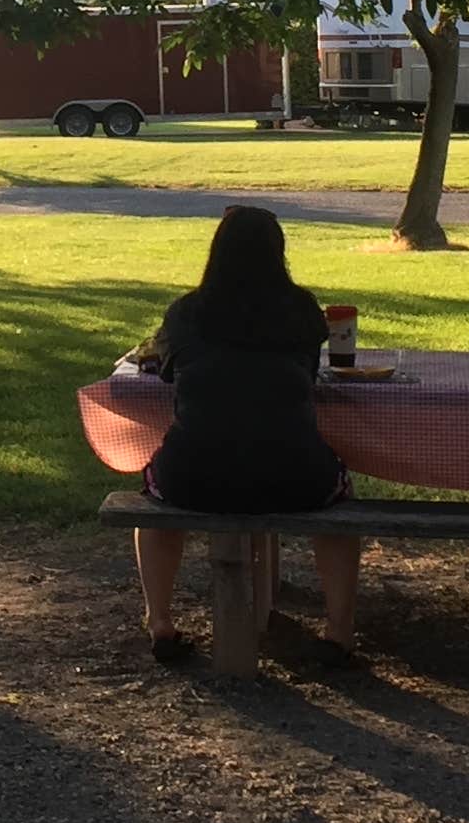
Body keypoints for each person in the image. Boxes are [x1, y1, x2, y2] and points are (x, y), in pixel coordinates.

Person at [130, 204, 364, 668]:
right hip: (295, 476)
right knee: (342, 507)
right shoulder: (301, 310)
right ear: (279, 254)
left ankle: (159, 620)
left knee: (154, 502)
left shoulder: (186, 313)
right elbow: (308, 373)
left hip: (194, 475)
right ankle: (340, 629)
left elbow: (165, 369)